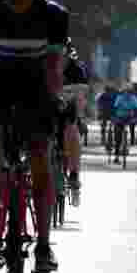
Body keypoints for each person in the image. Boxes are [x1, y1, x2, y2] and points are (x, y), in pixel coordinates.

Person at [0, 0, 66, 273]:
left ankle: (43, 245)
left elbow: (54, 66)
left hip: (36, 91)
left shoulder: (54, 16)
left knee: (40, 159)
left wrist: (55, 98)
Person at [61, 39, 89, 200]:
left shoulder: (76, 70)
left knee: (72, 129)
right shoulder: (37, 63)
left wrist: (80, 117)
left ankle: (74, 174)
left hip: (69, 109)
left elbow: (80, 98)